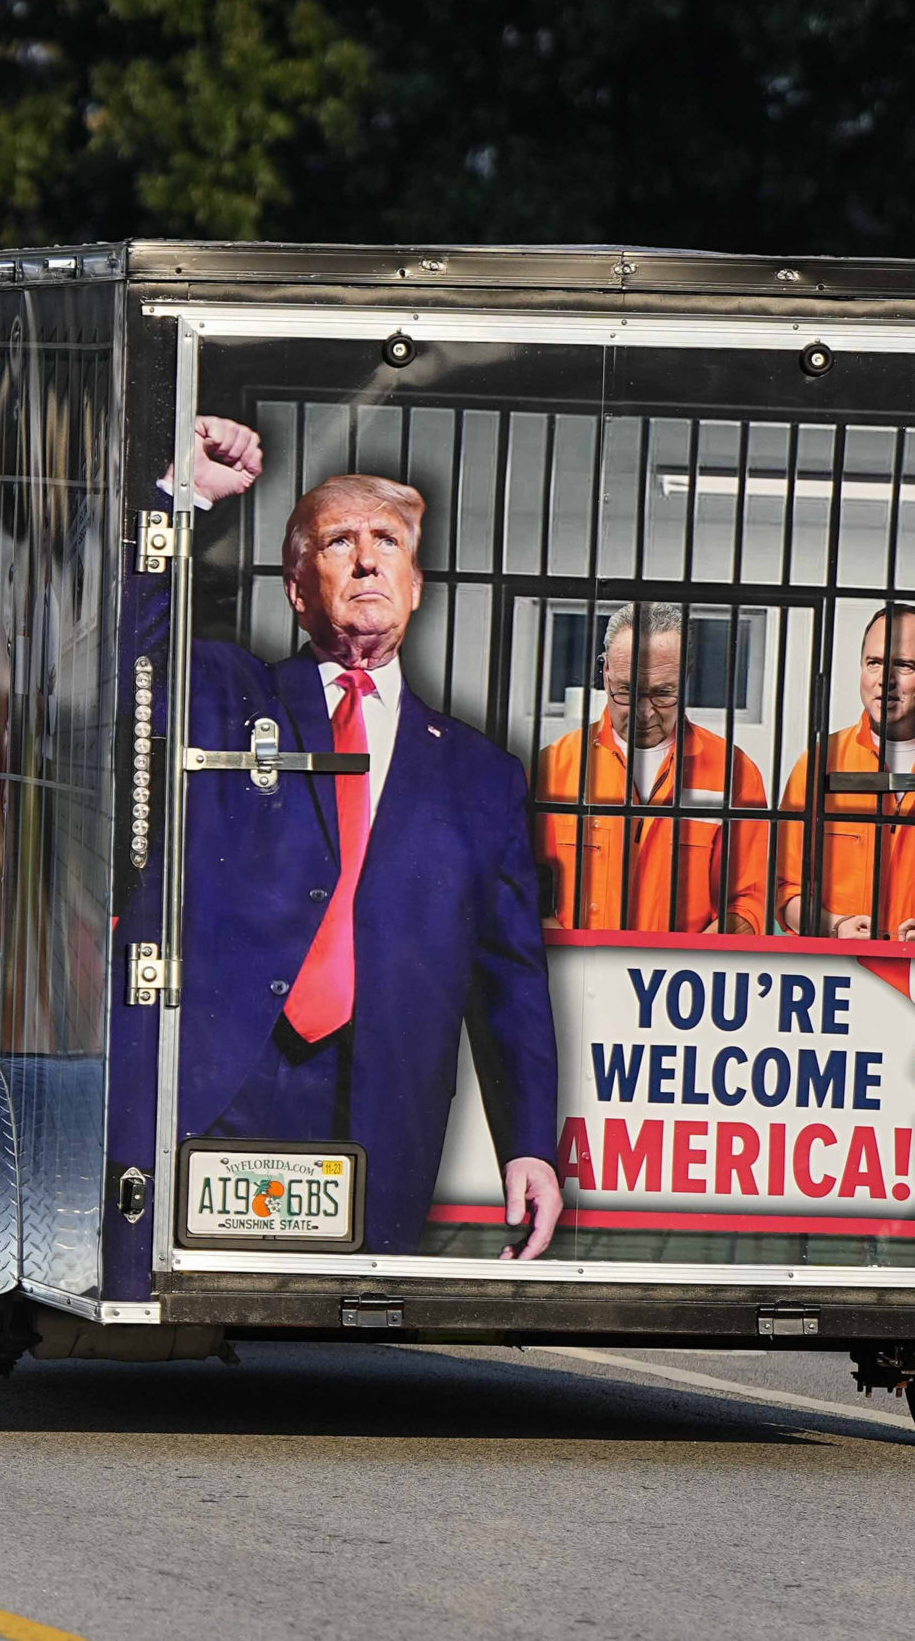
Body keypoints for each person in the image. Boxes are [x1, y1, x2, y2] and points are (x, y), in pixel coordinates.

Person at [141, 416, 562, 1259]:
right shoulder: (230, 694)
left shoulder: (482, 775)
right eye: (339, 541)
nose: (368, 558)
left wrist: (530, 1144)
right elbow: (125, 648)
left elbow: (509, 973)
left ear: (414, 585)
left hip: (386, 1098)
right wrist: (179, 497)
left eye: (389, 543)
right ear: (299, 589)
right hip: (229, 1085)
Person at [532, 602, 770, 933]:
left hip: (679, 980)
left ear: (685, 676)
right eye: (627, 691)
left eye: (663, 694)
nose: (645, 713)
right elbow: (520, 891)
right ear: (605, 672)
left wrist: (676, 965)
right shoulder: (551, 769)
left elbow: (747, 902)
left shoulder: (735, 774)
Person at [776, 603, 915, 942]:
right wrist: (835, 926)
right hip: (835, 974)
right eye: (874, 663)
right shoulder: (819, 763)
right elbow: (786, 889)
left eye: (904, 665)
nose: (885, 680)